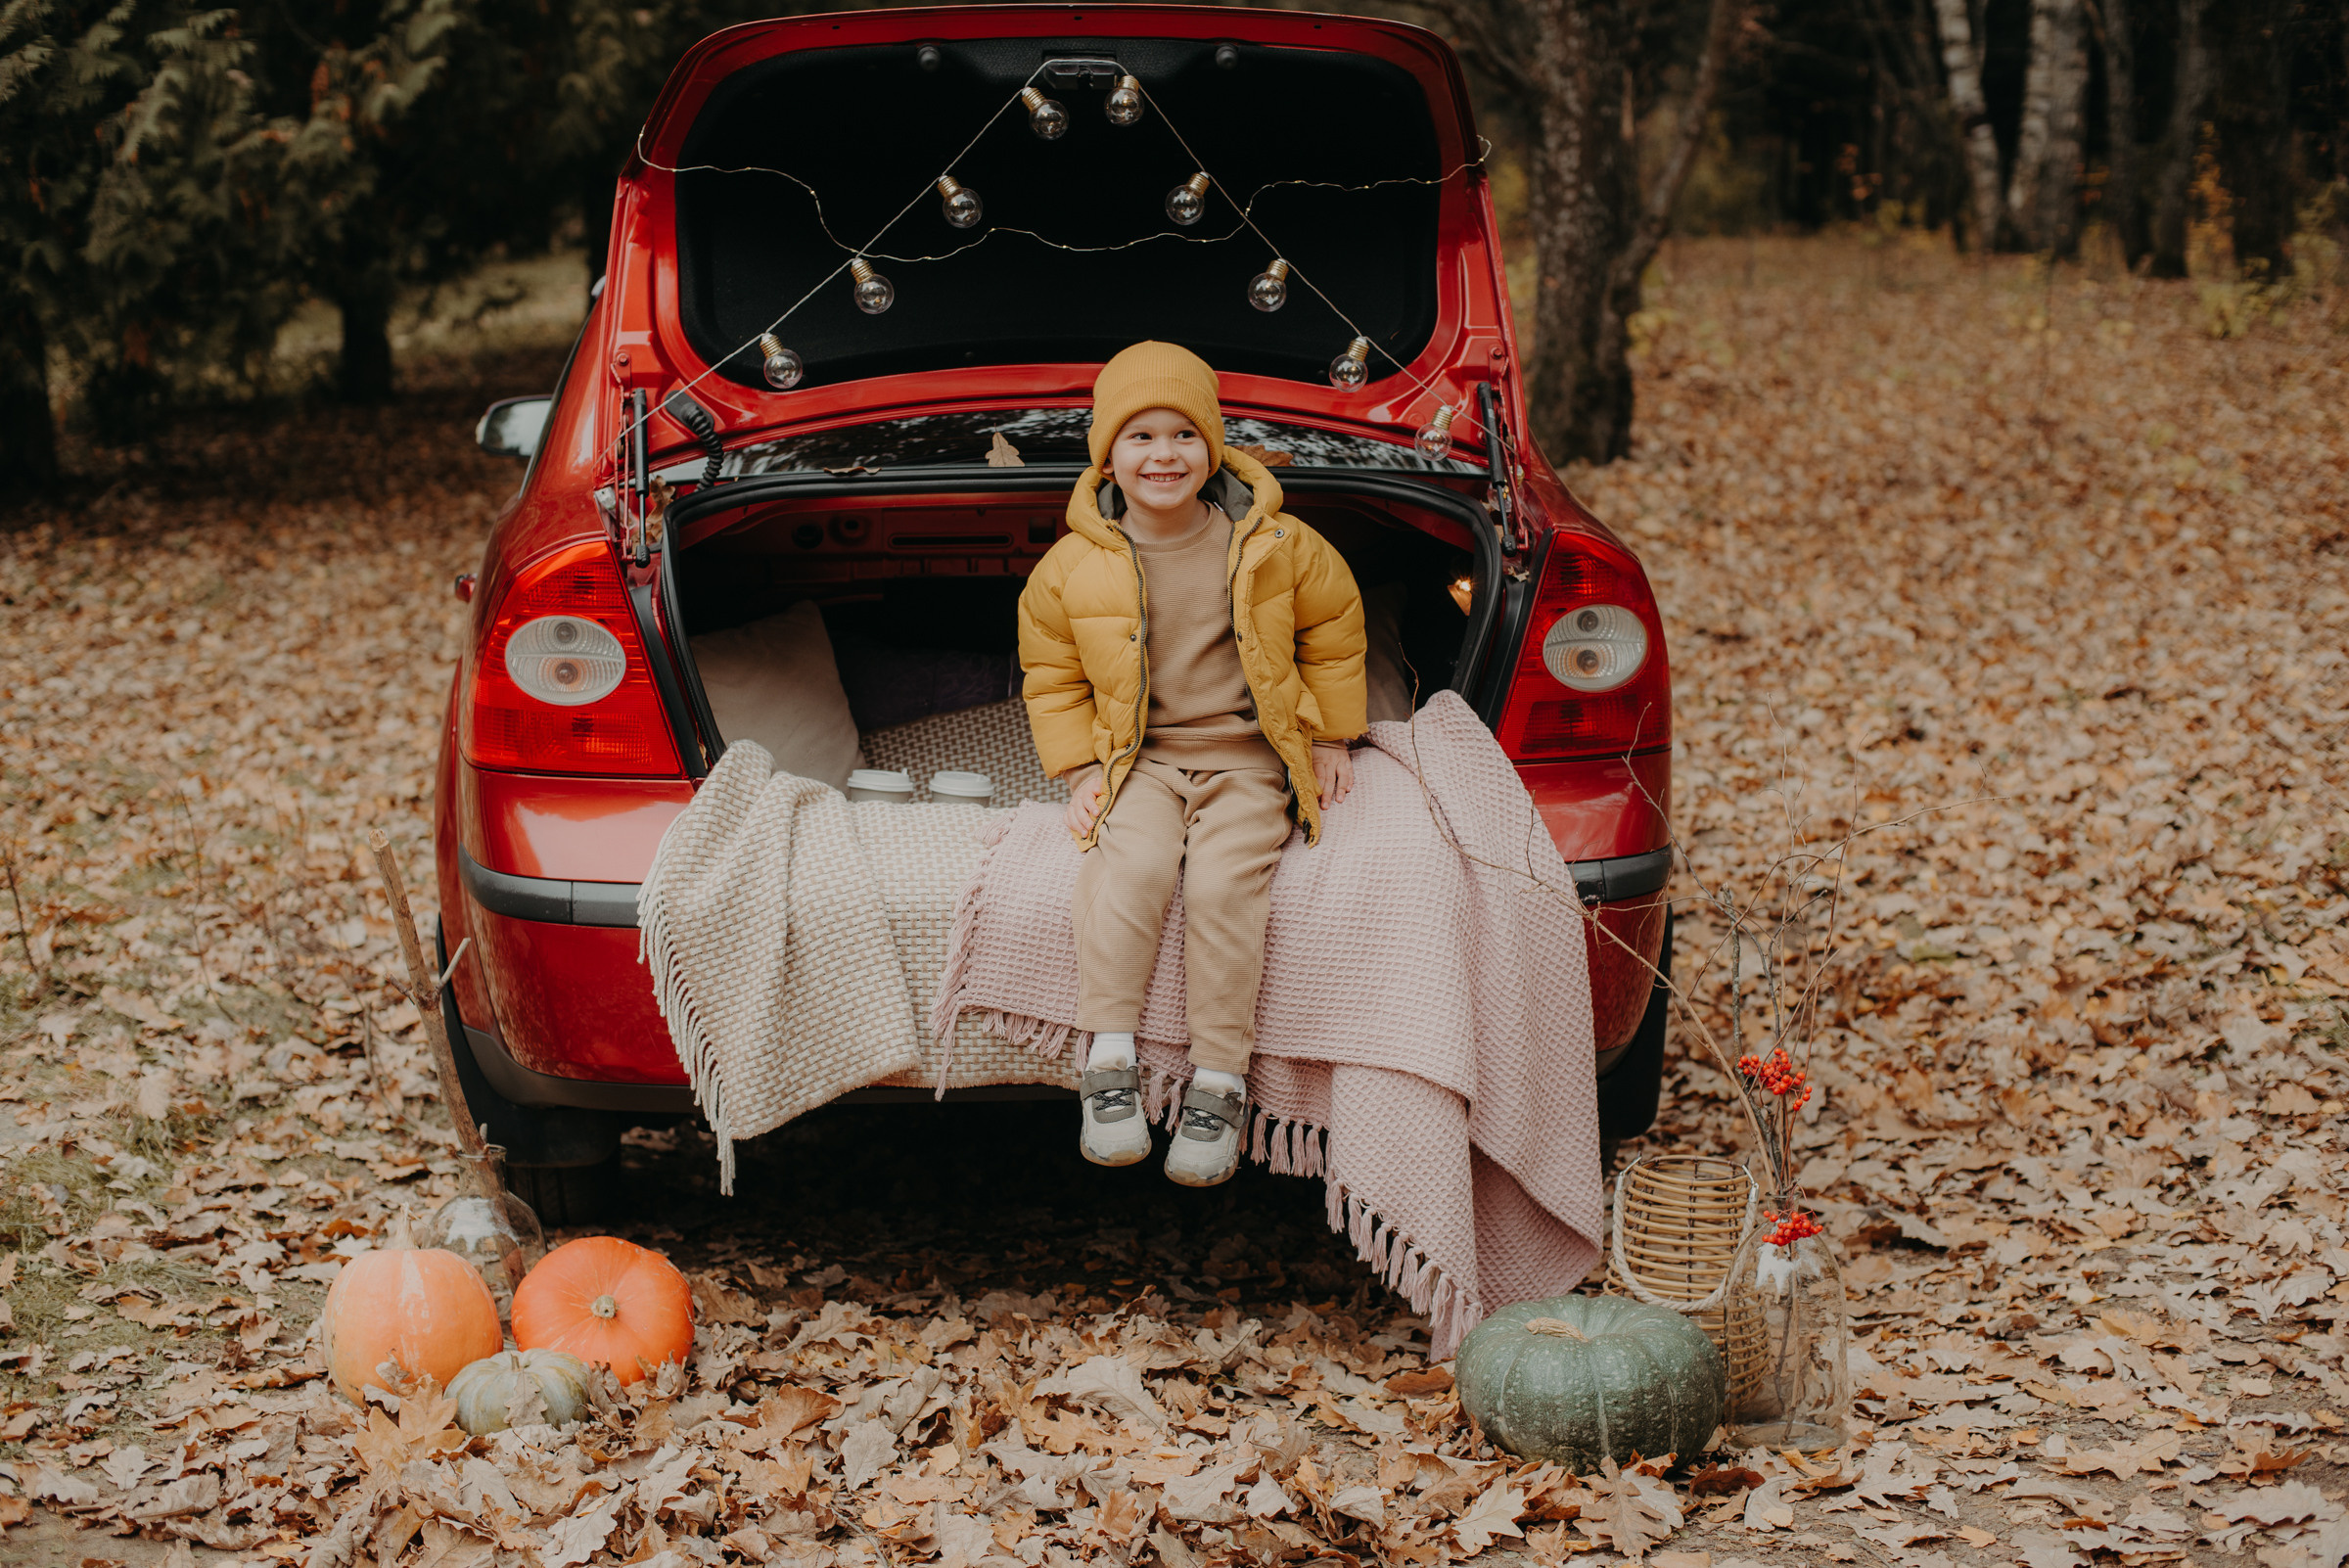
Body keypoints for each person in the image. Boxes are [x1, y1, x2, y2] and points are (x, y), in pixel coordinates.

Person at [1017, 341, 1368, 1185]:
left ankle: (1219, 1080)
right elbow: (1051, 671)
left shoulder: (1277, 543)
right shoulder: (1071, 566)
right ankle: (1107, 1060)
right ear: (1108, 454)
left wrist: (1326, 738)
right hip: (1139, 760)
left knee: (1221, 885)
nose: (1164, 455)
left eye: (1183, 434)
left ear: (1214, 445)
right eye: (1140, 437)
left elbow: (1336, 627)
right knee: (1129, 868)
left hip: (1248, 760)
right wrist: (1079, 771)